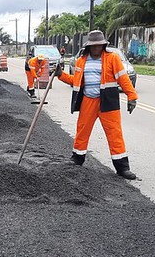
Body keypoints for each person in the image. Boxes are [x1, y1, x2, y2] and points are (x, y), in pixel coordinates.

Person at [56, 30, 139, 179]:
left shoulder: (112, 58)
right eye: (93, 45)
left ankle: (122, 168)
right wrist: (61, 75)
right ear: (88, 46)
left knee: (115, 133)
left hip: (108, 101)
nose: (96, 48)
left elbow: (123, 78)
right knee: (82, 130)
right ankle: (77, 159)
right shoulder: (82, 61)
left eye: (99, 45)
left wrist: (131, 96)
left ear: (103, 45)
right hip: (88, 101)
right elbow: (76, 81)